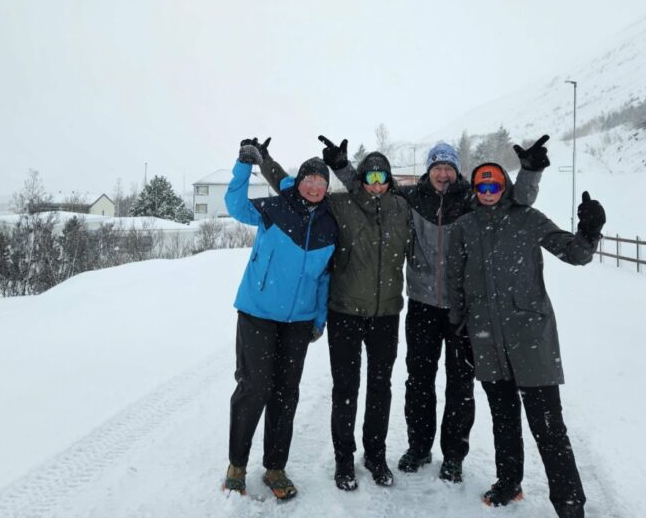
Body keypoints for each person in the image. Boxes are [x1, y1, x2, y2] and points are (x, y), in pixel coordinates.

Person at [332, 137, 550, 483]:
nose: (443, 174)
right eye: (438, 167)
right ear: (429, 170)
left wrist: (531, 170)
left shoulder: (470, 199)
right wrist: (343, 168)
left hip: (463, 309)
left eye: (449, 167)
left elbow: (517, 200)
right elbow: (371, 191)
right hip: (421, 305)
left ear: (456, 171)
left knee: (460, 385)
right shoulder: (410, 199)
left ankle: (454, 456)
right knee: (418, 381)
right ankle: (419, 448)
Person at [448, 163, 606, 518]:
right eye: (482, 188)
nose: (488, 193)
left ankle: (569, 502)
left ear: (505, 186)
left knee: (548, 426)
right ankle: (509, 481)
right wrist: (458, 330)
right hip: (486, 339)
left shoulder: (528, 219)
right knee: (503, 419)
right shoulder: (464, 227)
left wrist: (589, 231)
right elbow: (454, 281)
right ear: (475, 190)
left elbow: (575, 254)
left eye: (494, 186)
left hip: (530, 336)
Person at [258, 135, 413, 491]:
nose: (376, 184)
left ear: (389, 181)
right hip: (345, 311)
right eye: (369, 177)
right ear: (361, 179)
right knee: (346, 388)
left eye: (382, 177)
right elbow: (295, 187)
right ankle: (345, 460)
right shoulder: (340, 204)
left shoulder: (402, 210)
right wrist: (265, 159)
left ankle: (375, 455)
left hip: (386, 314)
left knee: (380, 387)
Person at [222, 138, 338, 501]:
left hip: (299, 323)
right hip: (258, 312)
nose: (314, 187)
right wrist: (245, 164)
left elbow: (324, 278)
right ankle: (237, 465)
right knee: (254, 388)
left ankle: (275, 467)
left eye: (321, 182)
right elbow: (236, 205)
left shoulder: (329, 227)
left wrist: (319, 318)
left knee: (286, 394)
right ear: (299, 181)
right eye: (309, 180)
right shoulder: (275, 208)